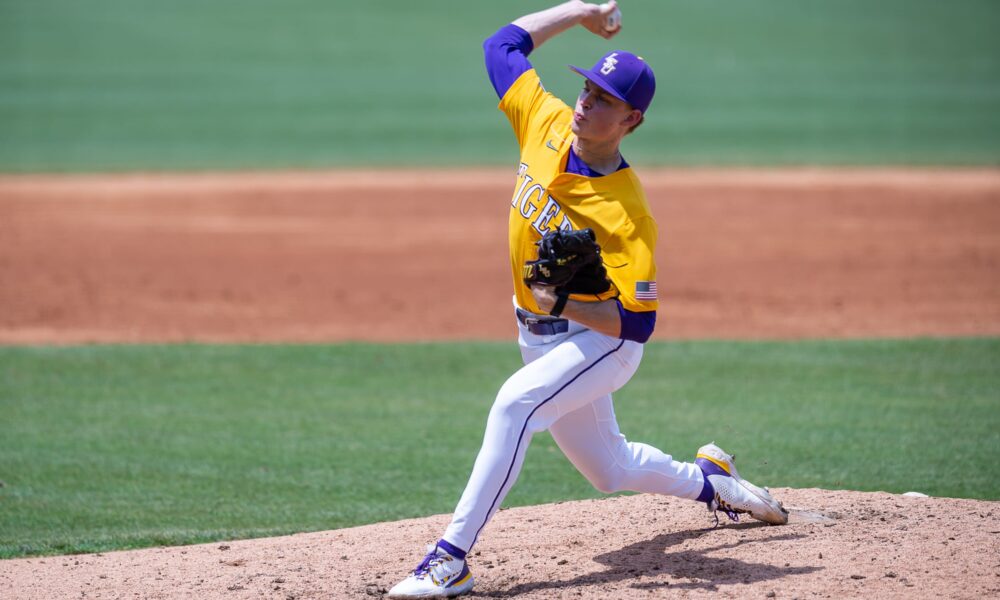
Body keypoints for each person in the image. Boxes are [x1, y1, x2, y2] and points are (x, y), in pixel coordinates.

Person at [388, 2, 787, 597]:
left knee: (513, 405)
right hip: (538, 334)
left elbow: (638, 323)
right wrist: (580, 12)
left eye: (603, 99)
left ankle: (451, 559)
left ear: (631, 120)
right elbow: (501, 45)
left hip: (602, 343)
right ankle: (714, 481)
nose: (585, 102)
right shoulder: (546, 121)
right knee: (610, 470)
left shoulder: (629, 216)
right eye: (587, 88)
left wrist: (563, 305)